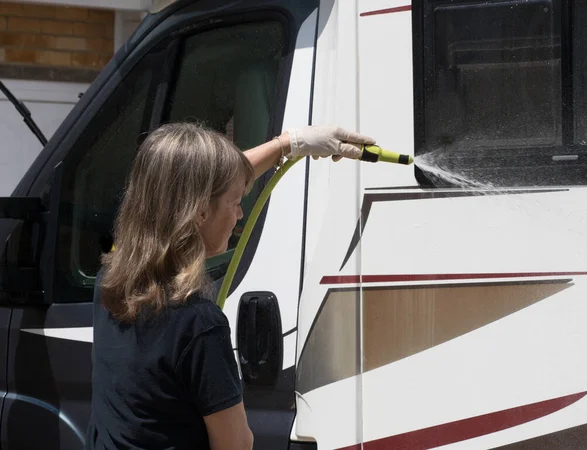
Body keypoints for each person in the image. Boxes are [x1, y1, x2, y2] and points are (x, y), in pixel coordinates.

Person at [84, 123, 375, 450]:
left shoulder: (111, 281)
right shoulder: (198, 324)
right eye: (236, 201)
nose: (239, 214)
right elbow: (236, 444)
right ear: (199, 213)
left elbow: (181, 185)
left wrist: (288, 145)